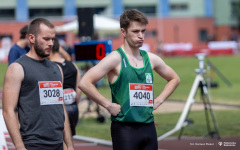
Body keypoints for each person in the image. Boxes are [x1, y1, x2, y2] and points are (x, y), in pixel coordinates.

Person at [79, 9, 180, 150]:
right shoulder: (115, 58)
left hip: (149, 127)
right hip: (125, 129)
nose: (141, 36)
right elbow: (84, 83)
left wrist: (159, 100)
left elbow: (174, 78)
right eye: (135, 31)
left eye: (143, 31)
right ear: (123, 32)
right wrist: (108, 105)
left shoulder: (151, 59)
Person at [3, 18, 74, 150]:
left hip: (58, 144)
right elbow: (8, 111)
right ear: (31, 38)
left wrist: (69, 145)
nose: (51, 43)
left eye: (53, 39)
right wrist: (19, 146)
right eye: (46, 39)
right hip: (33, 144)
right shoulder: (17, 68)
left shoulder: (57, 69)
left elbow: (61, 107)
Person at [48, 38, 81, 136]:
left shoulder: (50, 66)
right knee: (69, 139)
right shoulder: (73, 66)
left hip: (58, 109)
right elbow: (79, 89)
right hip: (73, 107)